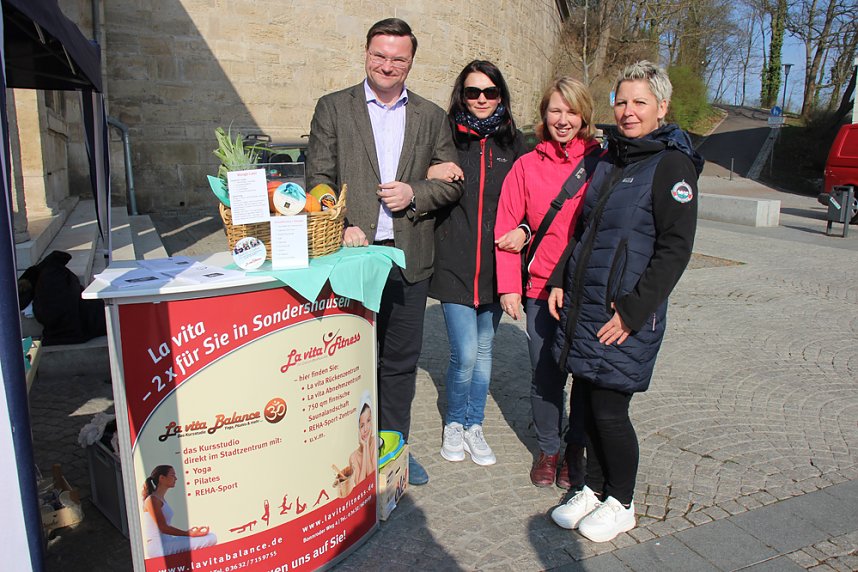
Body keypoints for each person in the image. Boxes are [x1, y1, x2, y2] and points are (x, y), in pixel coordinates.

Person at [548, 61, 702, 542]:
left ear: (662, 107)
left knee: (611, 411)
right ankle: (593, 488)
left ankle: (623, 501)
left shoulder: (672, 165)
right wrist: (560, 278)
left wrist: (633, 312)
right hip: (587, 305)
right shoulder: (612, 158)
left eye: (640, 102)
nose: (628, 111)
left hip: (624, 313)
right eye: (622, 101)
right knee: (586, 404)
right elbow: (585, 229)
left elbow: (675, 249)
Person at [307, 18, 463, 485]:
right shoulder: (334, 107)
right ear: (366, 53)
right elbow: (318, 178)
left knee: (399, 364)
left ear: (411, 62)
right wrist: (341, 223)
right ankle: (346, 455)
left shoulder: (431, 115)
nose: (387, 65)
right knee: (348, 362)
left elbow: (452, 182)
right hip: (351, 258)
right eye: (380, 55)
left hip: (407, 258)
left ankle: (393, 451)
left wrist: (415, 193)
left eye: (398, 58)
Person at [494, 77, 600, 488]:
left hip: (586, 290)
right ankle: (548, 448)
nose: (563, 119)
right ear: (543, 115)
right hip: (539, 289)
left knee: (586, 377)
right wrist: (509, 285)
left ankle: (575, 450)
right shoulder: (526, 166)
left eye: (572, 111)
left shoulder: (602, 164)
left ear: (585, 116)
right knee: (545, 374)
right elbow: (507, 226)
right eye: (555, 110)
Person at [427, 60, 527, 466]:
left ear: (500, 96)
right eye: (473, 92)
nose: (481, 99)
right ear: (462, 96)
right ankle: (454, 421)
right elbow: (418, 179)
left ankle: (474, 424)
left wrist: (525, 230)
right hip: (453, 262)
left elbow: (532, 203)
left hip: (496, 266)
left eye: (490, 92)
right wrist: (430, 171)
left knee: (485, 350)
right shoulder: (446, 138)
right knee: (465, 352)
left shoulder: (515, 144)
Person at [141, 465, 217, 558]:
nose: (176, 478)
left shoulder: (160, 499)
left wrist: (189, 534)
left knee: (210, 536)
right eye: (172, 475)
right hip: (158, 547)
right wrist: (188, 534)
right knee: (210, 539)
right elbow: (163, 528)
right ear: (162, 478)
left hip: (168, 542)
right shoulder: (152, 500)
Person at [348, 401, 378, 485]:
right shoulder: (353, 457)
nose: (366, 429)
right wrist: (365, 447)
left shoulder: (376, 442)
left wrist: (367, 445)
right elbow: (361, 485)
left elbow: (372, 479)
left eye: (368, 420)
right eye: (362, 426)